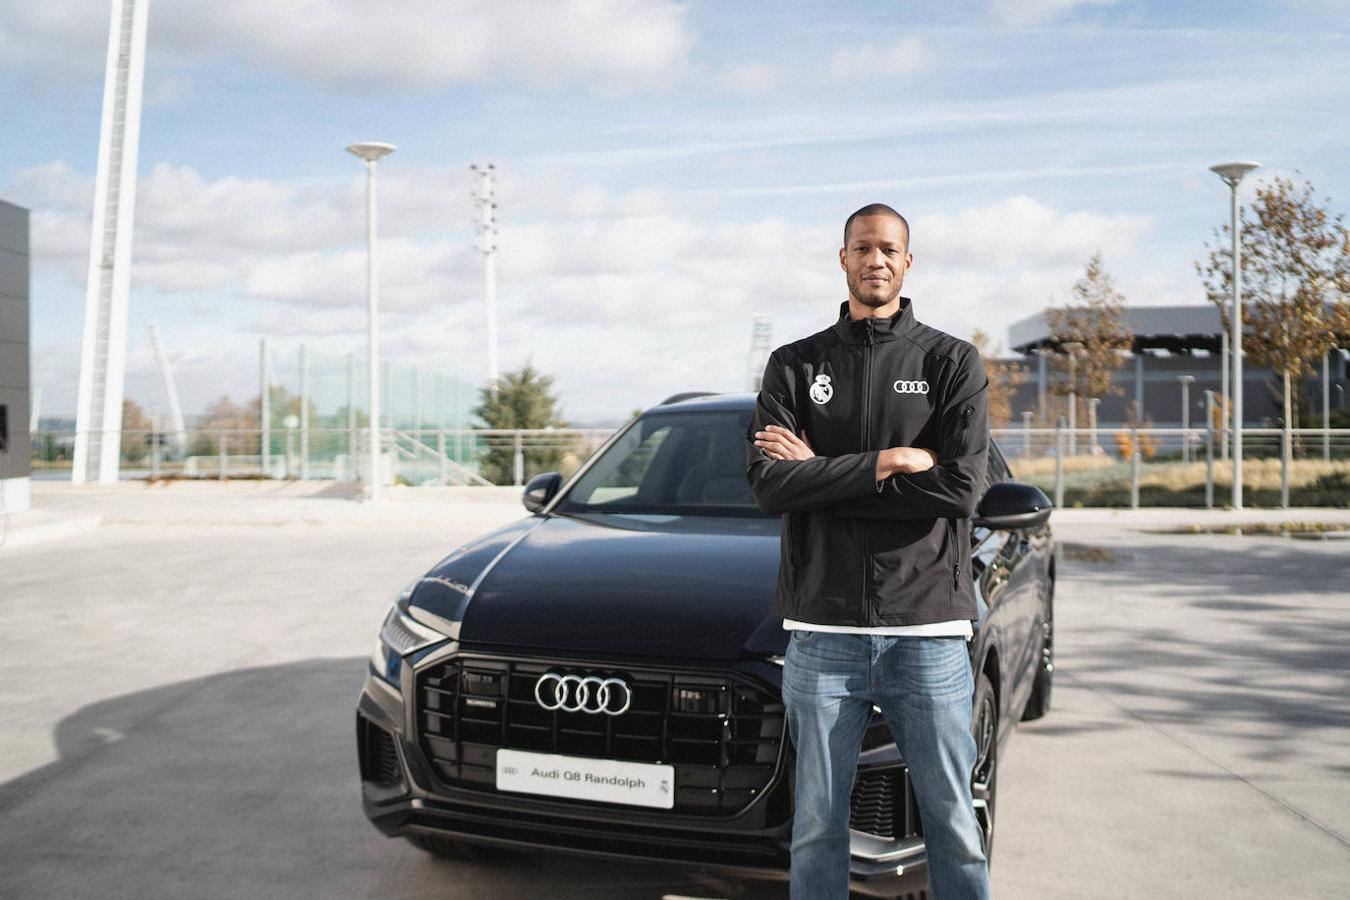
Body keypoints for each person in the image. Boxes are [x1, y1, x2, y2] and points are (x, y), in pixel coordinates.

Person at [745, 203, 991, 899]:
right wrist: (885, 461)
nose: (875, 260)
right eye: (862, 248)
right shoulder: (794, 365)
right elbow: (769, 485)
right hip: (823, 634)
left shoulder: (950, 361)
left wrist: (818, 475)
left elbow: (963, 487)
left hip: (927, 633)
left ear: (908, 261)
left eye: (889, 249)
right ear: (843, 258)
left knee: (951, 819)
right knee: (818, 822)